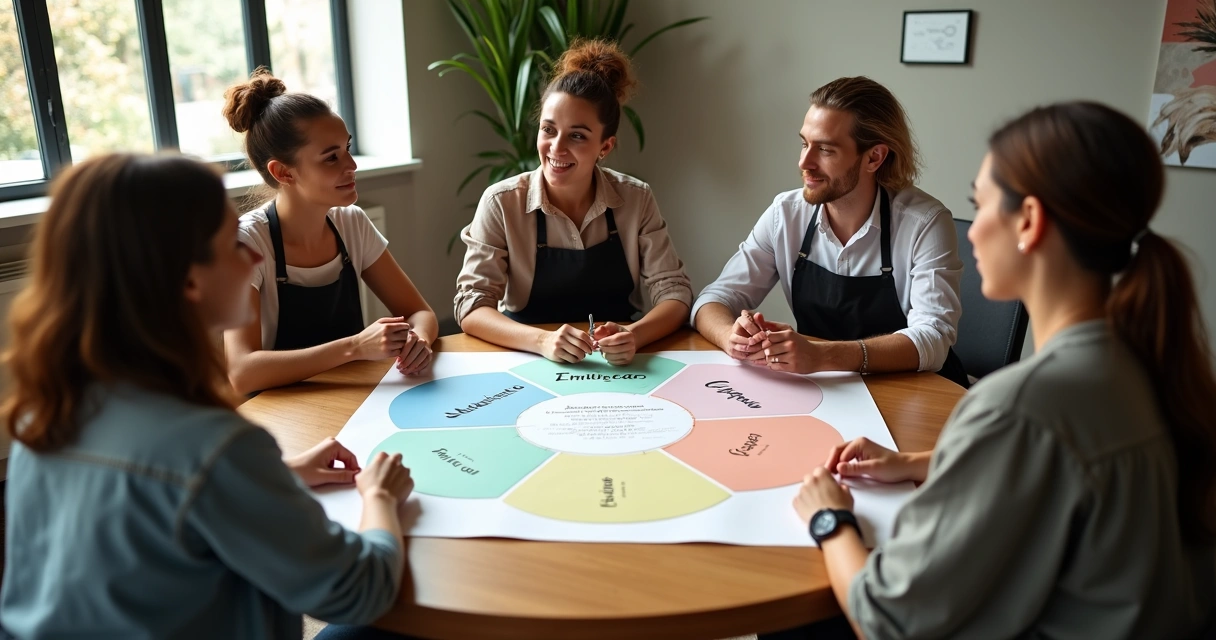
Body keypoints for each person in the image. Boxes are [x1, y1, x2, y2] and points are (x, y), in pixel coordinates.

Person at [790, 102, 1216, 638]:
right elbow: (1064, 463)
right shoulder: (1151, 365)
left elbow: (887, 618)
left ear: (1030, 222)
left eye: (981, 203)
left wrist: (829, 517)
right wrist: (923, 461)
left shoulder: (1017, 406)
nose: (972, 230)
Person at [0, 153, 416, 638]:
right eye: (231, 245)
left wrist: (277, 477)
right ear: (189, 281)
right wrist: (380, 497)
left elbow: (152, 503)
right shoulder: (217, 446)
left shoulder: (45, 413)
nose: (256, 256)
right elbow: (359, 589)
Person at [691, 76, 969, 387]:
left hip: (914, 393)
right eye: (804, 143)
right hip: (825, 389)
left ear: (874, 157)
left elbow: (933, 339)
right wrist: (732, 336)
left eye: (825, 150)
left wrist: (822, 356)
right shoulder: (786, 214)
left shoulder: (925, 223)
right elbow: (714, 299)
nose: (804, 163)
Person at [454, 39, 692, 366]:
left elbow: (675, 293)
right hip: (527, 357)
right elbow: (471, 305)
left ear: (605, 147)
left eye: (577, 135)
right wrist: (542, 341)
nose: (557, 147)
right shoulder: (501, 202)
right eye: (548, 130)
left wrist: (634, 335)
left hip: (617, 363)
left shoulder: (636, 198)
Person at [222, 68, 438, 395]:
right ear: (283, 172)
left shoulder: (352, 222)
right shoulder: (247, 242)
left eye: (347, 148)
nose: (351, 166)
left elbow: (421, 312)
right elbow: (242, 372)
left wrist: (417, 342)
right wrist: (355, 347)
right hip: (280, 410)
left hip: (354, 396)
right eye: (331, 157)